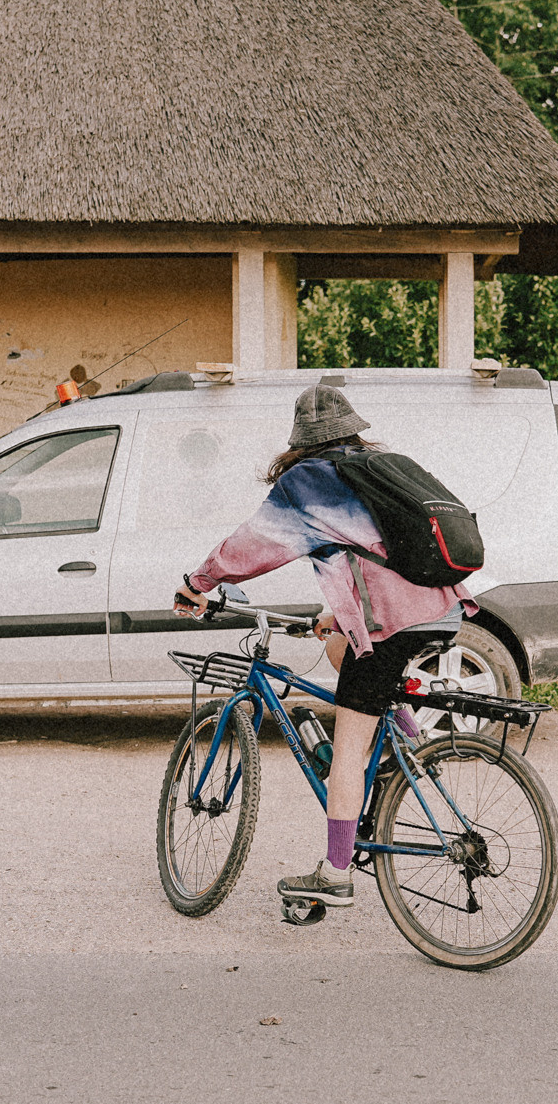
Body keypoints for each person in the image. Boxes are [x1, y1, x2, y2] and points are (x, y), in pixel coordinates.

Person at [171, 385, 471, 908]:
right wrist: (338, 614)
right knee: (341, 647)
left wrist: (200, 582)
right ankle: (403, 739)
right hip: (443, 608)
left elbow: (250, 545)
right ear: (351, 428)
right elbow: (379, 553)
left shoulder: (308, 480)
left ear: (301, 438)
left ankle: (334, 875)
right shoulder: (380, 468)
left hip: (394, 622)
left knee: (346, 755)